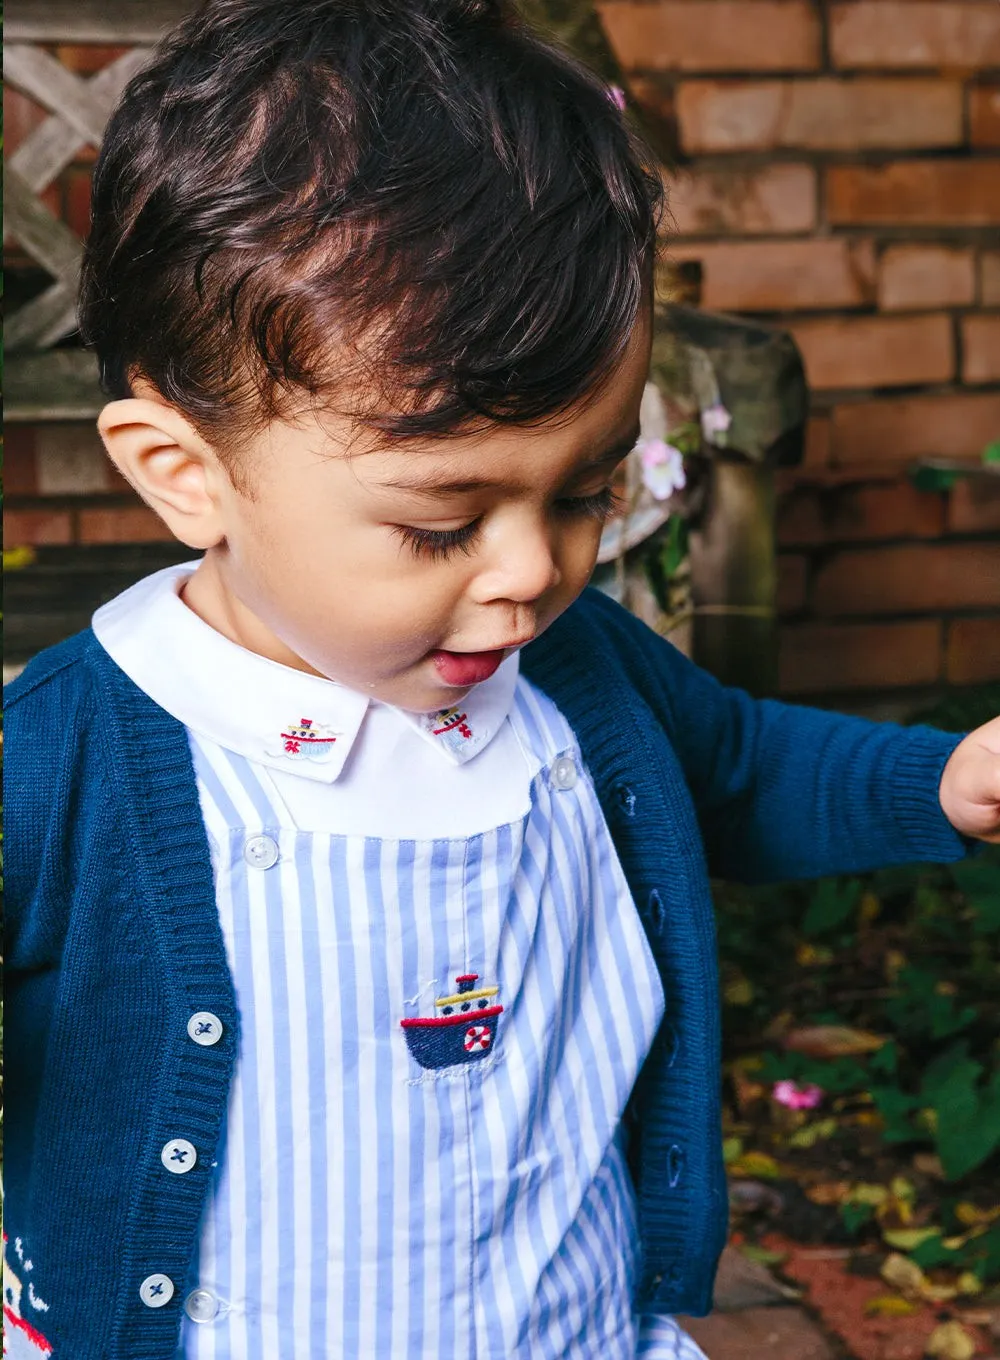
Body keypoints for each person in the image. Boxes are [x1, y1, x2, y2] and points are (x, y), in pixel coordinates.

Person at [5, 1, 1000, 1357]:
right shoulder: (68, 757)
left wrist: (942, 778)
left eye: (585, 493)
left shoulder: (575, 675)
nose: (530, 573)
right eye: (441, 524)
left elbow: (739, 769)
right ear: (187, 476)